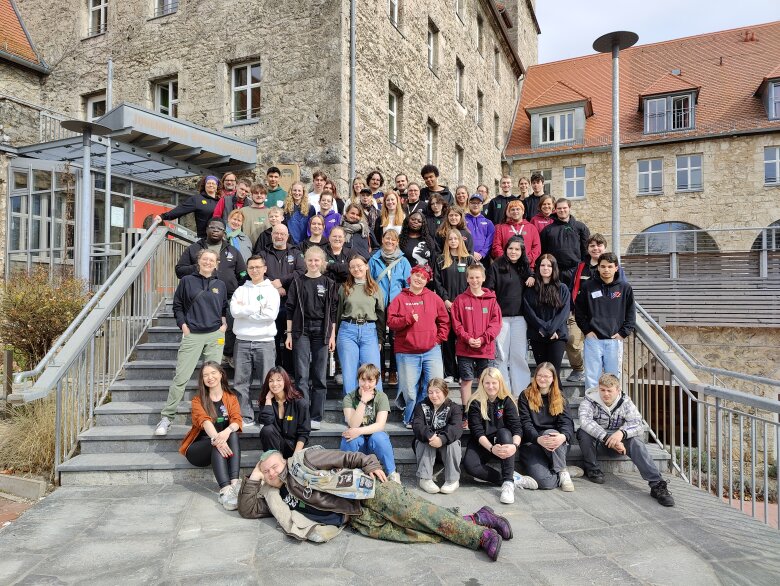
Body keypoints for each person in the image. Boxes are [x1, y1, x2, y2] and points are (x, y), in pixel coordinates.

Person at [238, 448, 510, 561]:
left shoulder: (304, 461)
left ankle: (481, 536)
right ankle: (478, 518)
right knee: (417, 532)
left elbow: (347, 457)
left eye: (274, 466)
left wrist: (371, 464)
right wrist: (255, 476)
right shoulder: (277, 497)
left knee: (420, 515)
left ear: (284, 461)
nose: (271, 473)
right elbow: (248, 509)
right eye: (266, 471)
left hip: (366, 492)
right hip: (356, 518)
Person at [156, 249, 227, 436]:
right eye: (205, 259)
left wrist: (224, 324)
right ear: (199, 261)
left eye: (212, 260)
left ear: (216, 263)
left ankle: (213, 417)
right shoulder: (187, 281)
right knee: (181, 377)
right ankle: (167, 417)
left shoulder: (220, 284)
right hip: (193, 334)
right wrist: (183, 326)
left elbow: (224, 307)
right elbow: (178, 305)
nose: (208, 262)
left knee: (214, 379)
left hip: (215, 335)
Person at [577, 374, 675, 506]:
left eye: (609, 390)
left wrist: (621, 434)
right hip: (599, 443)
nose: (605, 394)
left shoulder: (626, 402)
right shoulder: (589, 400)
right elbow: (585, 421)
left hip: (620, 447)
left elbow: (637, 424)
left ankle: (657, 484)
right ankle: (593, 469)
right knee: (583, 432)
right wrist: (607, 438)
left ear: (618, 390)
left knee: (636, 441)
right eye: (602, 390)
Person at [175, 217, 247, 367]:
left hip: (227, 297)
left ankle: (228, 354)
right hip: (200, 298)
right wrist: (200, 267)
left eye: (219, 228)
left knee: (230, 327)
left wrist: (236, 287)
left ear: (224, 232)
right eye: (212, 227)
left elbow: (242, 273)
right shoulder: (194, 248)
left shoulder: (232, 251)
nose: (215, 230)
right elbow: (179, 270)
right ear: (206, 229)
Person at [463, 368, 538, 505]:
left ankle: (508, 484)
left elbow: (517, 428)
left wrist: (514, 446)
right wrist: (492, 448)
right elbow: (477, 431)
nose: (491, 386)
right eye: (487, 383)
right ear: (482, 384)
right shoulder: (475, 402)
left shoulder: (507, 400)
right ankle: (511, 478)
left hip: (503, 441)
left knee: (504, 432)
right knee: (470, 465)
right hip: (483, 442)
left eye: (494, 383)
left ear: (500, 383)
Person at [387, 264, 449, 427]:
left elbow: (444, 320)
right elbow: (391, 322)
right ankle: (409, 418)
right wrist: (407, 319)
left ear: (427, 281)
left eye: (423, 277)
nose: (419, 279)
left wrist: (438, 339)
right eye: (416, 275)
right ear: (411, 275)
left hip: (431, 350)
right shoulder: (400, 298)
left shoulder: (434, 298)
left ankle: (423, 417)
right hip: (406, 351)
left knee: (434, 385)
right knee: (409, 390)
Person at [285, 246, 338, 430]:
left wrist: (332, 336)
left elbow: (332, 313)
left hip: (321, 331)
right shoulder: (298, 282)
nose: (313, 263)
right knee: (301, 375)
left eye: (317, 260)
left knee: (319, 376)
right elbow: (290, 309)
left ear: (322, 262)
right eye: (310, 260)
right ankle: (303, 414)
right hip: (301, 330)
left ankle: (316, 416)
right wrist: (289, 334)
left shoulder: (329, 283)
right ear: (305, 261)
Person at [180, 362, 243, 509]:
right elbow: (204, 421)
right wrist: (217, 439)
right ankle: (225, 490)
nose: (210, 377)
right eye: (205, 375)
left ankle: (234, 484)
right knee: (216, 442)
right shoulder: (198, 400)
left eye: (213, 373)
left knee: (233, 434)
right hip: (198, 449)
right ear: (202, 379)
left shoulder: (231, 398)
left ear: (221, 374)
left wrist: (226, 431)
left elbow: (237, 420)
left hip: (220, 445)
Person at [574, 252, 636, 391]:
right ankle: (592, 403)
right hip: (593, 340)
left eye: (609, 266)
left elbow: (631, 314)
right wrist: (587, 331)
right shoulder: (588, 286)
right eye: (603, 266)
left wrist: (623, 333)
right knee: (592, 378)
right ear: (598, 267)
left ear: (616, 268)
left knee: (613, 378)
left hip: (614, 341)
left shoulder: (625, 288)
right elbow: (579, 311)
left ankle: (612, 404)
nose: (606, 269)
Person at [230, 255, 280, 425]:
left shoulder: (271, 291)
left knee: (269, 381)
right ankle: (246, 416)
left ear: (265, 269)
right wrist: (258, 308)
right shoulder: (240, 290)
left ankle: (267, 415)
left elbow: (270, 315)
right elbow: (235, 312)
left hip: (265, 341)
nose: (254, 270)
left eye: (258, 267)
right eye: (251, 267)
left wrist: (245, 310)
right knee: (240, 383)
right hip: (242, 341)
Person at [517, 363, 578, 491]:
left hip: (556, 444)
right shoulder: (525, 395)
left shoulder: (560, 396)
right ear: (535, 376)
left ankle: (562, 471)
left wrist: (563, 436)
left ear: (553, 378)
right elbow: (525, 423)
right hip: (532, 443)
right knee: (546, 484)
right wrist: (537, 439)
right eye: (539, 375)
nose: (542, 379)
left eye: (546, 376)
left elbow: (567, 422)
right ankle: (562, 470)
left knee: (550, 433)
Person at [485, 236, 534, 396]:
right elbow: (489, 290)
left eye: (517, 249)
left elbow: (533, 281)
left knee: (519, 356)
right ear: (506, 249)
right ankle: (503, 393)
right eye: (511, 248)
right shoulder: (496, 266)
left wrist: (532, 277)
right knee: (501, 356)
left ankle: (521, 394)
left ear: (522, 251)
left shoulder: (524, 267)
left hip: (520, 318)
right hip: (502, 318)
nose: (513, 252)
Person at [451, 264, 502, 417]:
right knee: (466, 381)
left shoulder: (492, 300)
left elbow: (496, 324)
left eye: (478, 277)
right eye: (471, 277)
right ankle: (467, 414)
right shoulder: (460, 300)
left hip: (485, 349)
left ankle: (483, 413)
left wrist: (483, 339)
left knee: (485, 381)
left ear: (484, 278)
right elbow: (456, 324)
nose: (475, 280)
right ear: (467, 279)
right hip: (465, 348)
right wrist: (467, 339)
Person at [258, 224, 305, 372]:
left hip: (290, 303)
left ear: (287, 236)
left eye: (282, 234)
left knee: (290, 339)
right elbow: (258, 273)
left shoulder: (296, 253)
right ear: (272, 235)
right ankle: (274, 371)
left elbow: (301, 271)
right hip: (269, 304)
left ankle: (289, 372)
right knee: (273, 338)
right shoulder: (263, 254)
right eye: (276, 233)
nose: (279, 236)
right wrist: (275, 287)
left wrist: (282, 282)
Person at [340, 363, 399, 482]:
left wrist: (358, 431)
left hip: (374, 442)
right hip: (358, 442)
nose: (366, 385)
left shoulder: (381, 397)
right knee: (349, 437)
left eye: (370, 381)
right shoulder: (349, 398)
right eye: (363, 380)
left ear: (376, 382)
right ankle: (347, 473)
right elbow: (353, 425)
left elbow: (380, 425)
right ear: (358, 379)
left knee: (380, 437)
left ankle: (392, 473)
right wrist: (363, 401)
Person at [336, 254, 385, 394]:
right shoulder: (345, 288)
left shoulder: (375, 288)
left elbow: (381, 315)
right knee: (349, 374)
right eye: (352, 267)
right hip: (347, 330)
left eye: (359, 266)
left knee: (372, 371)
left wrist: (380, 339)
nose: (356, 269)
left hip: (369, 331)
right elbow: (338, 313)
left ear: (366, 267)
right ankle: (351, 407)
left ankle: (375, 406)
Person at [369, 230, 411, 385]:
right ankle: (379, 370)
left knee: (395, 338)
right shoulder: (374, 259)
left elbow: (408, 284)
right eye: (387, 238)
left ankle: (393, 371)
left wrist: (404, 302)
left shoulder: (403, 261)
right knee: (378, 338)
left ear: (397, 242)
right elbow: (369, 281)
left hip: (397, 305)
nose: (390, 242)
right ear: (382, 239)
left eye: (393, 240)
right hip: (378, 304)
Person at [566, 233, 609, 383]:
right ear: (588, 248)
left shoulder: (610, 267)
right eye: (592, 246)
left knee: (598, 349)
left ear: (604, 248)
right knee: (571, 341)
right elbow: (572, 288)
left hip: (601, 316)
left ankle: (601, 377)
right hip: (578, 313)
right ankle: (578, 369)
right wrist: (570, 308)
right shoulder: (580, 267)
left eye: (599, 245)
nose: (596, 248)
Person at [434, 229, 475, 383]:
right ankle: (450, 372)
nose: (453, 241)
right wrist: (445, 300)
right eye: (450, 239)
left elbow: (473, 281)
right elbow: (437, 282)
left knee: (463, 339)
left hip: (465, 306)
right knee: (448, 339)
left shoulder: (468, 259)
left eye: (455, 239)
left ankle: (465, 372)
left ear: (460, 240)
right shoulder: (440, 260)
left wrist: (462, 301)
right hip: (446, 305)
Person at [412, 378, 463, 494]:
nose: (434, 396)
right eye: (430, 392)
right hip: (427, 447)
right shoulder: (421, 406)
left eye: (437, 392)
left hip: (446, 448)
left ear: (445, 392)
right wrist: (430, 436)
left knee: (454, 443)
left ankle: (452, 480)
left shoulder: (454, 408)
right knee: (424, 440)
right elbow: (417, 425)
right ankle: (425, 479)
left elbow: (456, 427)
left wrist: (442, 439)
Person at [523, 254, 570, 378]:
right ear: (538, 267)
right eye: (542, 265)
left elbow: (564, 312)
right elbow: (529, 312)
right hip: (538, 335)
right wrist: (542, 328)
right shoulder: (531, 289)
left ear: (554, 268)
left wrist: (551, 329)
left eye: (549, 265)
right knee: (541, 375)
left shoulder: (562, 288)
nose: (545, 268)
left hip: (557, 336)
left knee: (554, 374)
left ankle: (557, 393)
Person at [258, 366, 311, 457]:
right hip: (274, 447)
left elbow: (304, 433)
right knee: (267, 430)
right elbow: (266, 422)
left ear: (285, 381)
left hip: (293, 448)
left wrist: (295, 456)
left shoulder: (300, 403)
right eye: (271, 381)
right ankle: (275, 459)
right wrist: (268, 400)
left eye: (278, 380)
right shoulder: (267, 402)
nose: (275, 384)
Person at [539, 198, 590, 288]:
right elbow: (543, 251)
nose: (562, 210)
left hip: (576, 270)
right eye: (559, 208)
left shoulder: (580, 227)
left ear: (569, 208)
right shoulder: (548, 230)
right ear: (555, 210)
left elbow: (585, 249)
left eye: (564, 208)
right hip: (556, 271)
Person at [156, 175, 221, 238]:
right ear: (204, 185)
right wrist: (163, 216)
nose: (211, 185)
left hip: (221, 238)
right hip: (205, 238)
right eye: (208, 183)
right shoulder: (197, 199)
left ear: (217, 186)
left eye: (213, 183)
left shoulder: (221, 201)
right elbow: (181, 209)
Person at [490, 199, 541, 268]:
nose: (515, 211)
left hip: (526, 266)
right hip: (506, 266)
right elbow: (496, 246)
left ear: (523, 211)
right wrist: (506, 260)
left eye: (518, 209)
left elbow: (537, 247)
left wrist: (527, 260)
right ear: (509, 212)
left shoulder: (531, 228)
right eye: (512, 210)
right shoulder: (501, 228)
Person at [465, 193, 495, 265]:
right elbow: (461, 238)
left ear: (482, 205)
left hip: (484, 259)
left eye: (478, 203)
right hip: (466, 257)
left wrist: (482, 253)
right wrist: (471, 252)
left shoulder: (488, 222)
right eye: (473, 203)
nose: (476, 205)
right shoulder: (462, 221)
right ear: (469, 204)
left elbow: (490, 240)